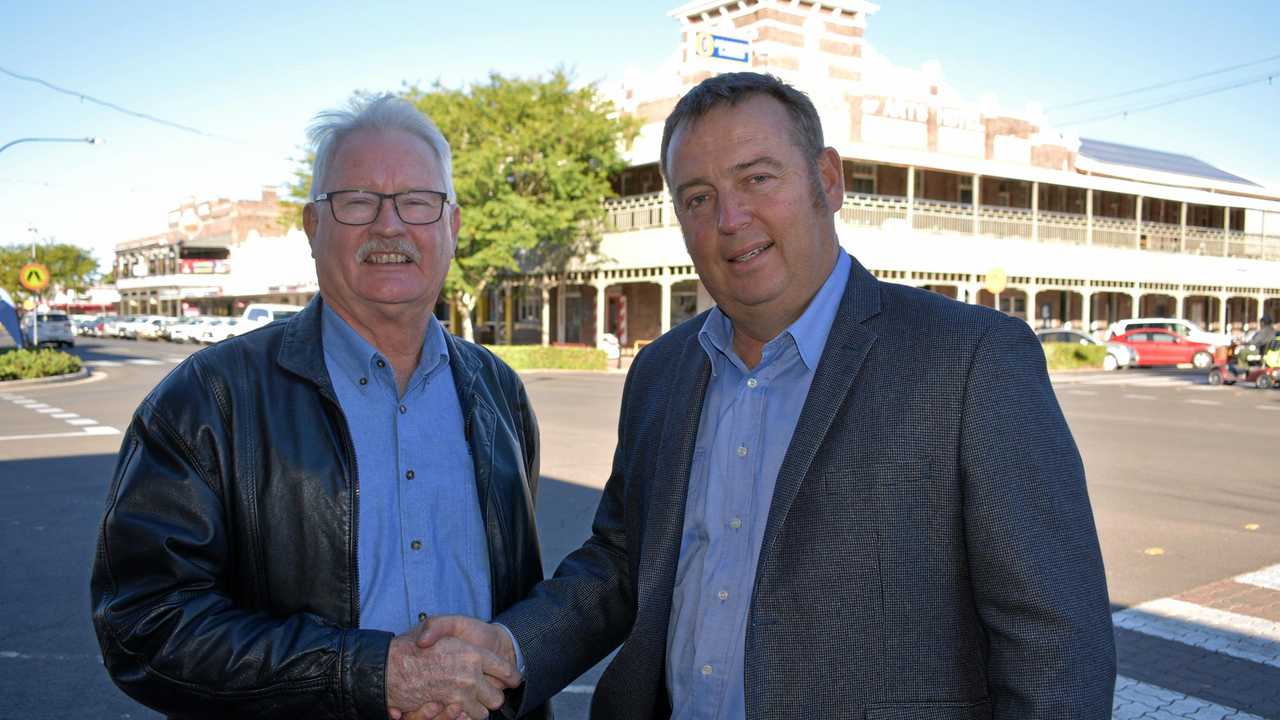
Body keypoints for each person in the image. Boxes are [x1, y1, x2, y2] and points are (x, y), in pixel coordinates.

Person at [421, 72, 1116, 718]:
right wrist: (509, 650)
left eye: (757, 178)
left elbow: (1055, 643)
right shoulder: (663, 371)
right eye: (698, 197)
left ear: (828, 178)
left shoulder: (971, 361)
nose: (731, 217)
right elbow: (623, 564)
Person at [91, 94, 548, 720]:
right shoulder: (206, 400)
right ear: (313, 227)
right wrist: (368, 674)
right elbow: (143, 624)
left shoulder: (500, 393)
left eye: (418, 201)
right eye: (357, 201)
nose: (390, 226)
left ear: (452, 226)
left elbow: (521, 602)